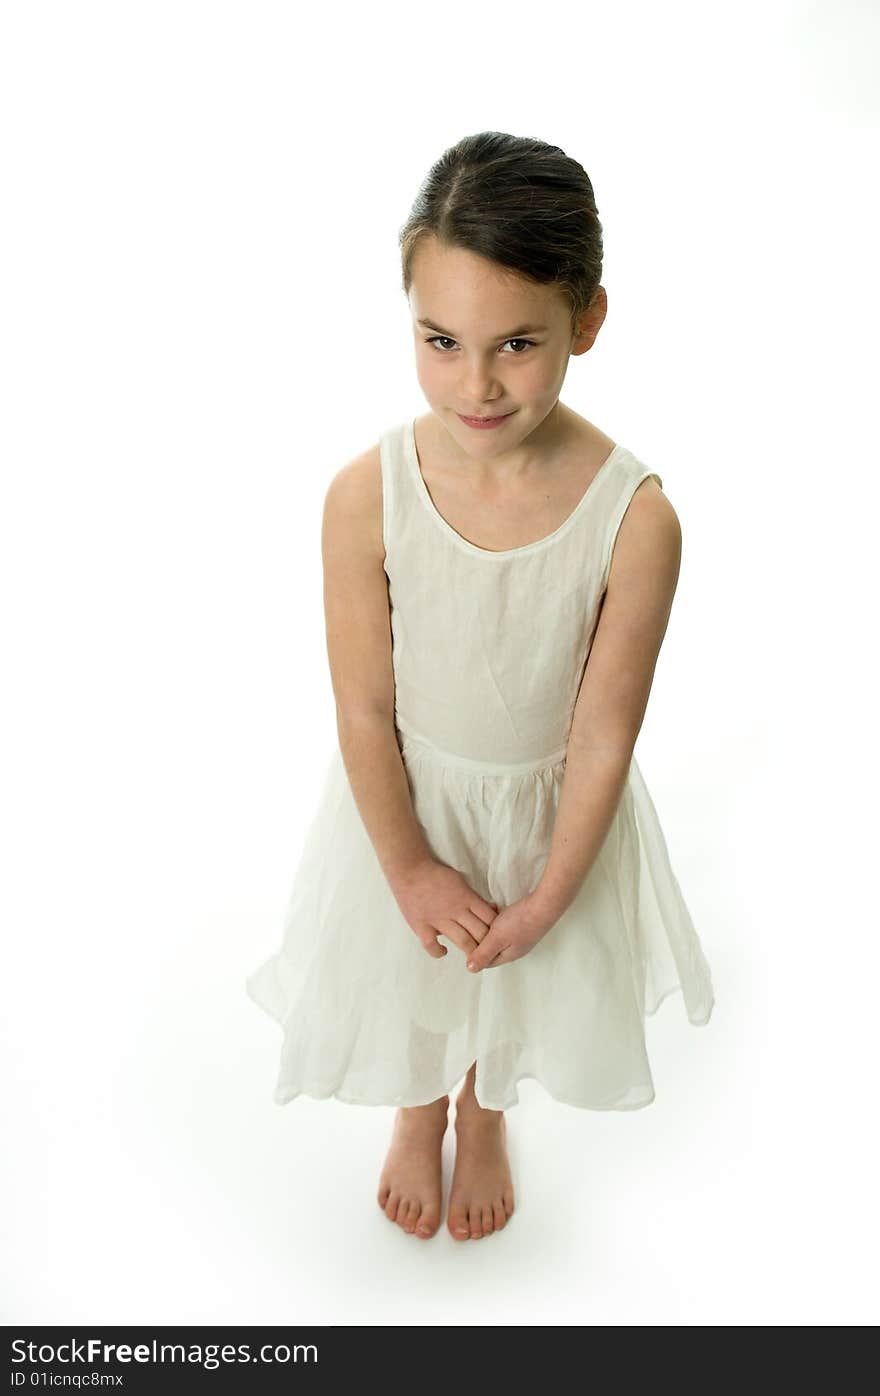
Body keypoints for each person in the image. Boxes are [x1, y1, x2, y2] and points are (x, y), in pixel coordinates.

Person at [246, 130, 715, 1244]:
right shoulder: (366, 495)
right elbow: (363, 705)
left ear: (586, 322)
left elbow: (602, 734)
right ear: (408, 315)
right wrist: (405, 864)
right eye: (440, 341)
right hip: (407, 803)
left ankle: (483, 1105)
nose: (475, 383)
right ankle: (419, 1107)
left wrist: (553, 891)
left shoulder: (634, 518)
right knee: (419, 967)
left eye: (516, 343)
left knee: (510, 977)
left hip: (552, 817)